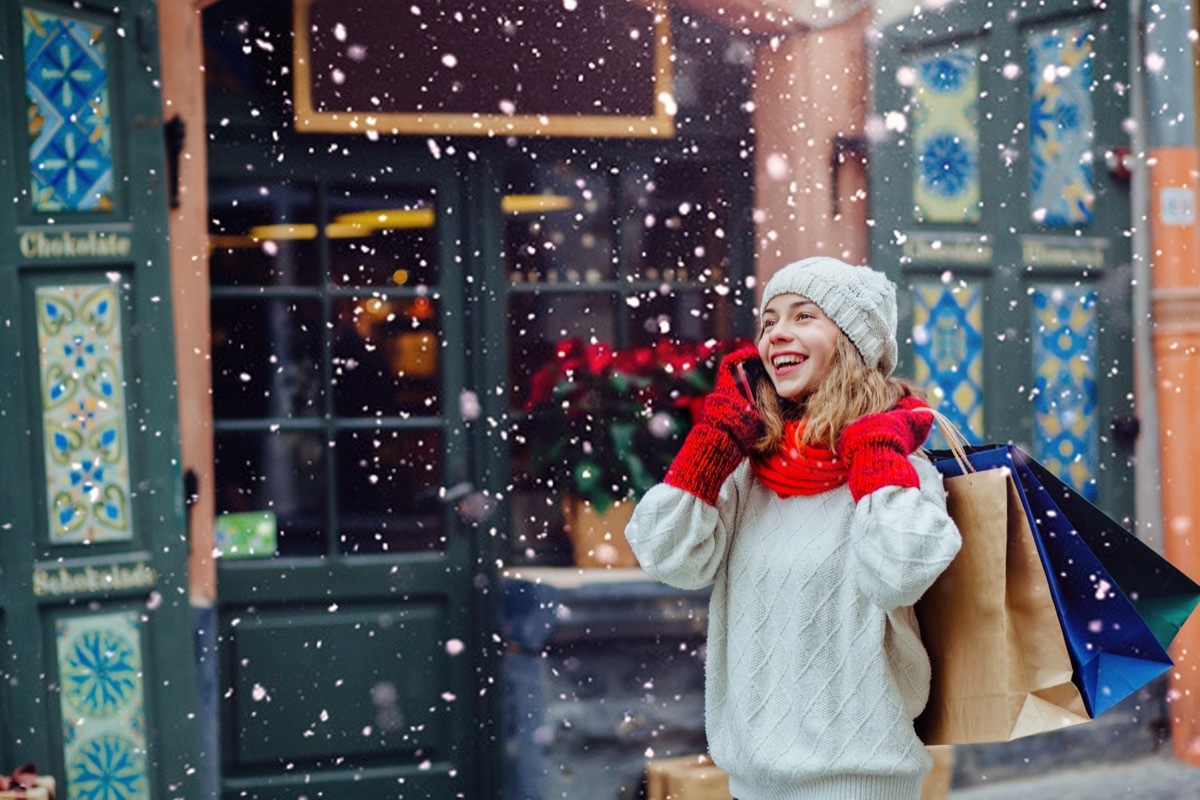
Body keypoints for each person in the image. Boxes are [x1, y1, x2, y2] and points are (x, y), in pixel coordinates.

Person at [625, 256, 962, 800]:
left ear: (851, 343)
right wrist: (712, 443)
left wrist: (875, 456)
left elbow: (900, 574)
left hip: (860, 782)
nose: (778, 332)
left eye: (804, 316)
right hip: (751, 782)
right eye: (769, 321)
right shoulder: (747, 471)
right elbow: (667, 557)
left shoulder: (899, 468)